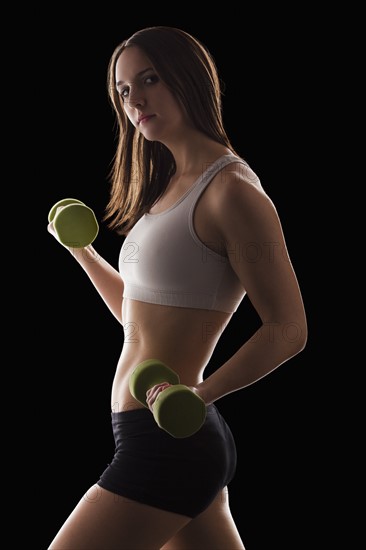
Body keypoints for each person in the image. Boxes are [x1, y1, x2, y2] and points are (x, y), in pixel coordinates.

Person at [47, 25, 307, 550]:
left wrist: (199, 394)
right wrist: (82, 251)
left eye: (149, 79)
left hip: (166, 441)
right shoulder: (169, 189)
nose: (134, 99)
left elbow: (288, 329)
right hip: (166, 434)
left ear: (188, 79)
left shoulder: (231, 192)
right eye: (123, 90)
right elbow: (140, 316)